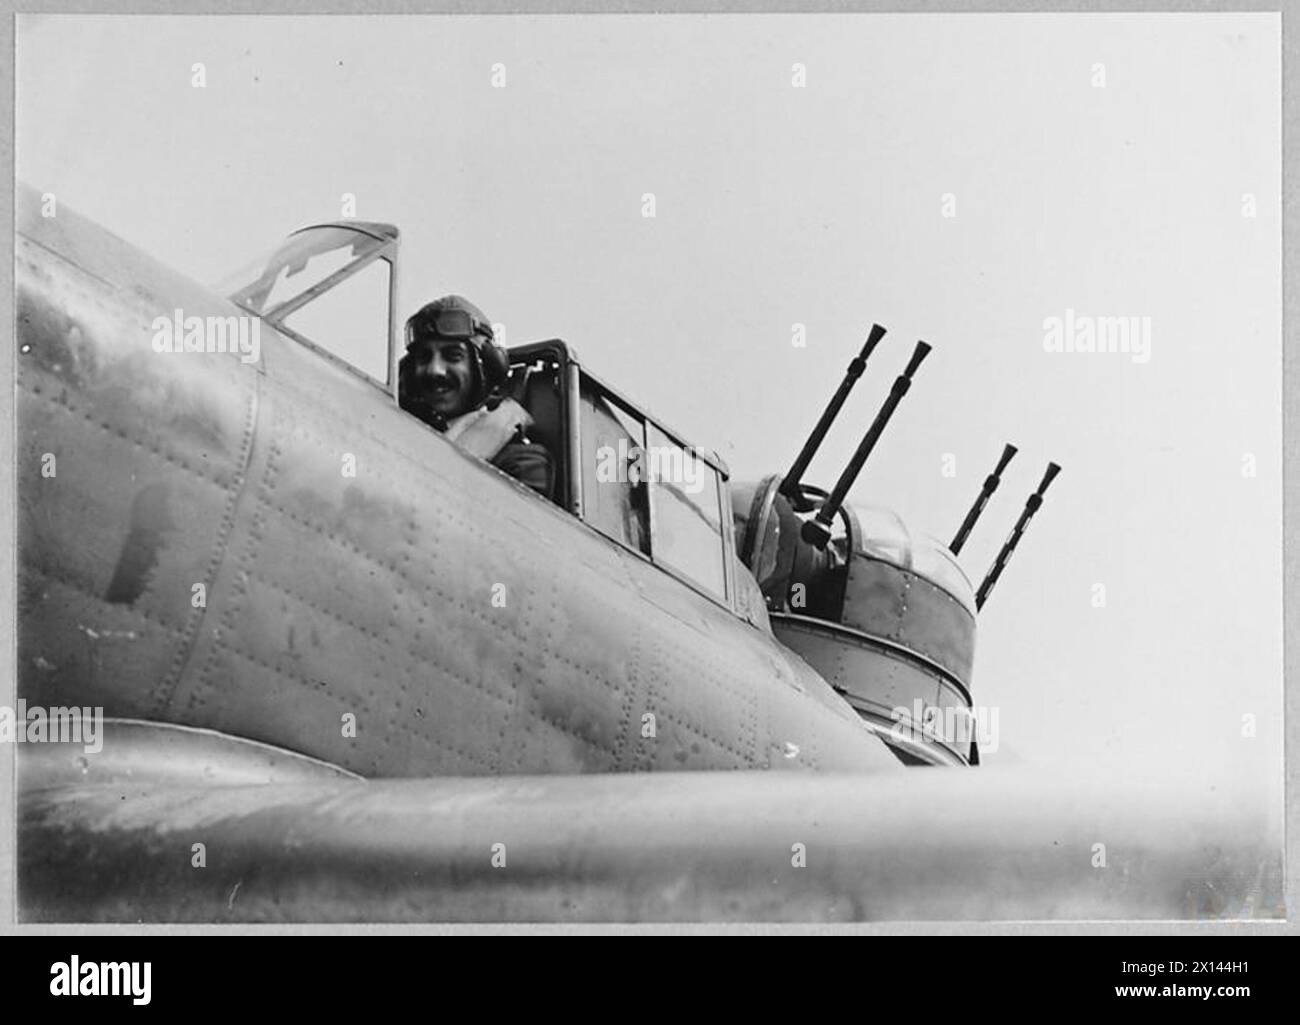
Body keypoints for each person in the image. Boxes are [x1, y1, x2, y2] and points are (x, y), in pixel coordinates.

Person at [398, 295, 555, 500]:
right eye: (424, 357)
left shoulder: (523, 463)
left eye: (453, 356)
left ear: (487, 366)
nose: (435, 370)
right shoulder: (400, 443)